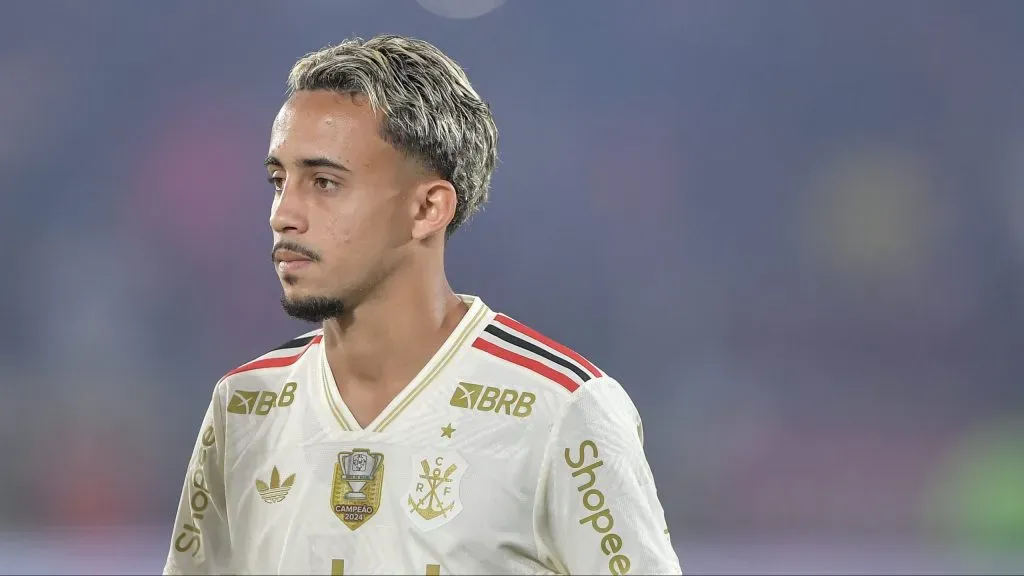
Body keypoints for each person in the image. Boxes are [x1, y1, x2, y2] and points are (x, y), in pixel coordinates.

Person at [163, 34, 681, 575]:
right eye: (278, 180)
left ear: (428, 208)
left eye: (324, 182)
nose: (283, 214)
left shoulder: (562, 410)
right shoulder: (244, 405)